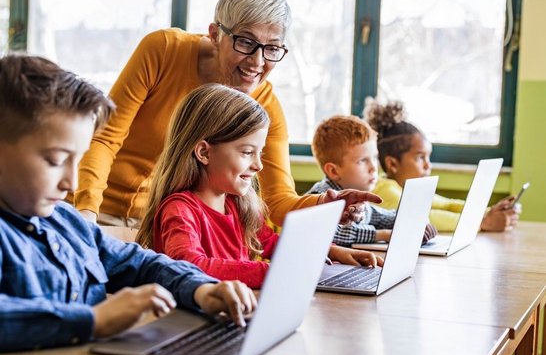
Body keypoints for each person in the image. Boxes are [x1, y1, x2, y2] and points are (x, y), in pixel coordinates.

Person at [0, 54, 257, 353]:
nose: (71, 183)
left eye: (78, 160)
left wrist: (201, 289)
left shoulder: (65, 221)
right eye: (56, 161)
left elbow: (140, 263)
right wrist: (92, 320)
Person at [72, 0, 381, 229]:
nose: (257, 62)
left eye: (272, 48)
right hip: (98, 212)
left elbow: (277, 200)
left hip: (164, 227)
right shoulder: (163, 50)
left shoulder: (266, 107)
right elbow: (104, 138)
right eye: (245, 42)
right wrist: (86, 212)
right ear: (215, 34)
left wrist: (324, 205)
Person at [136, 84, 382, 289]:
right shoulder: (180, 210)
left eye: (260, 153)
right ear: (203, 152)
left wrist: (332, 251)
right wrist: (272, 273)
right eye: (246, 152)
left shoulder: (236, 203)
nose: (258, 165)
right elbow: (189, 266)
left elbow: (273, 243)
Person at [364, 99, 520, 232]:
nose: (428, 166)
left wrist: (490, 211)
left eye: (428, 157)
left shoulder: (408, 188)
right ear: (392, 164)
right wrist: (484, 222)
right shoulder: (384, 191)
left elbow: (448, 205)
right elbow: (422, 218)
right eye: (420, 158)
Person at [307, 115, 436, 247]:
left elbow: (383, 217)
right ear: (334, 171)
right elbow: (332, 232)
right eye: (362, 161)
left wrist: (416, 221)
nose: (374, 167)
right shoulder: (320, 197)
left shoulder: (359, 200)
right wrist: (384, 235)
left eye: (374, 158)